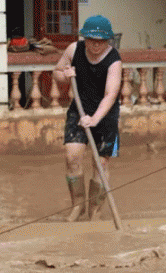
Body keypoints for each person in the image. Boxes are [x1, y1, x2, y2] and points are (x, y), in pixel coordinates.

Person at [52, 15, 122, 222]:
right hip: (78, 110)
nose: (96, 45)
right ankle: (78, 206)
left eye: (101, 41)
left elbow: (111, 95)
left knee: (100, 163)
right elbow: (56, 72)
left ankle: (95, 212)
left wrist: (95, 119)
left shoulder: (114, 60)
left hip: (106, 116)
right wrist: (65, 76)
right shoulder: (74, 50)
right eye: (92, 40)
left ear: (108, 40)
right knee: (72, 157)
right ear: (85, 38)